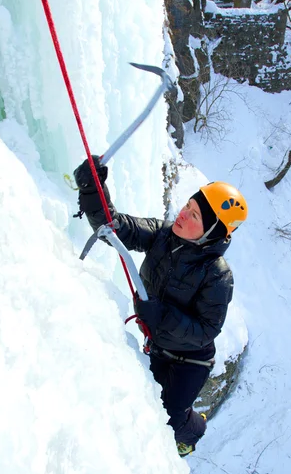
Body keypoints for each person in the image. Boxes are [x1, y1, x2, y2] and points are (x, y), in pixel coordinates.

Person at [74, 156, 248, 457]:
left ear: (213, 234)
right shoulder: (163, 235)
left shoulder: (218, 275)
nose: (183, 215)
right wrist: (91, 187)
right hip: (157, 344)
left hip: (191, 362)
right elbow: (115, 227)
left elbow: (207, 330)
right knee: (145, 401)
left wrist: (162, 316)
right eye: (188, 207)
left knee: (171, 416)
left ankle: (194, 432)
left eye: (195, 216)